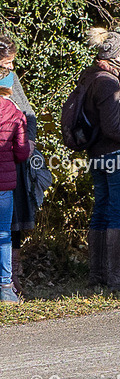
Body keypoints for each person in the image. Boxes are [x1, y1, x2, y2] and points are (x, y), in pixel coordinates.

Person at [80, 28, 120, 289]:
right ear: (117, 54)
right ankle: (114, 275)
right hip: (115, 153)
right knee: (118, 211)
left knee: (102, 210)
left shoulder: (91, 76)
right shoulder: (108, 81)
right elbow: (112, 125)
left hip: (96, 154)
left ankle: (98, 275)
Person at [0, 36, 38, 294]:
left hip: (13, 160)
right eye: (8, 62)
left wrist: (29, 139)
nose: (12, 67)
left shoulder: (12, 80)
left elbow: (29, 113)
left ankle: (12, 278)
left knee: (11, 224)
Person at [0, 84, 30, 303]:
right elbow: (21, 152)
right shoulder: (14, 111)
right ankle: (5, 287)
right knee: (3, 235)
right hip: (3, 185)